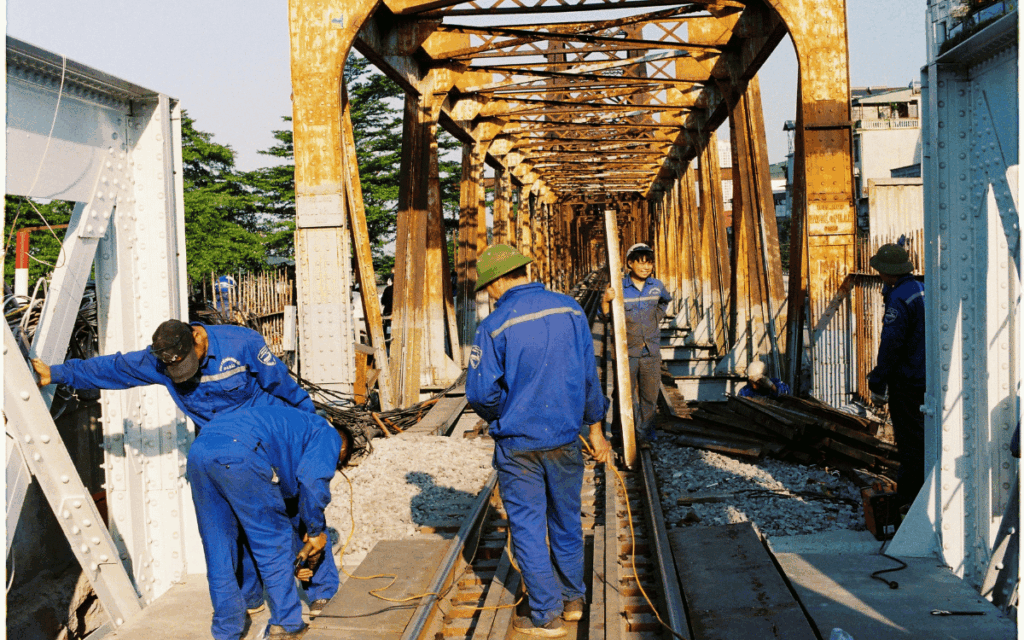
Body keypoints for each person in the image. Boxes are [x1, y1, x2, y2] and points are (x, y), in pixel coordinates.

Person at [31, 319, 330, 617]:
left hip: (266, 437)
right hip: (221, 446)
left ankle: (320, 588)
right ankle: (251, 597)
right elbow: (116, 368)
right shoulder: (160, 360)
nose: (186, 372)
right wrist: (57, 373)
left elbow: (283, 384)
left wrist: (310, 429)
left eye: (190, 362)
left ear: (197, 337)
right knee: (233, 520)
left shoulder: (242, 343)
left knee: (294, 507)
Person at [466, 244, 612, 638]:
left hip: (518, 444)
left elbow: (480, 395)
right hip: (565, 438)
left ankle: (545, 614)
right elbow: (588, 379)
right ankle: (573, 600)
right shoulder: (570, 310)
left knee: (528, 524)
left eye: (487, 287)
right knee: (566, 518)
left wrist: (506, 412)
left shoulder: (493, 325)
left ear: (498, 281)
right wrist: (595, 429)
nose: (488, 294)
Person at [187, 407, 341, 640]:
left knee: (218, 548)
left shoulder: (290, 422)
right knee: (272, 541)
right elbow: (313, 482)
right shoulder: (328, 435)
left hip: (199, 452)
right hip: (240, 452)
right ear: (343, 450)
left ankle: (226, 631)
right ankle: (286, 624)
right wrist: (315, 530)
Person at [867, 243, 926, 509]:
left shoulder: (899, 298)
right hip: (927, 378)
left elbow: (891, 343)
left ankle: (908, 502)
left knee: (910, 444)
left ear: (888, 272)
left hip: (908, 381)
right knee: (926, 438)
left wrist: (878, 378)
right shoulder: (921, 290)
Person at [601, 243, 673, 446]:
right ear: (630, 264)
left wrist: (655, 319)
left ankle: (645, 435)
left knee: (649, 395)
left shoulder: (657, 286)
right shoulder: (618, 287)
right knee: (622, 394)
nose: (645, 267)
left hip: (651, 350)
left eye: (649, 262)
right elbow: (605, 317)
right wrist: (606, 301)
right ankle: (619, 435)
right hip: (627, 351)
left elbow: (664, 302)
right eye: (640, 262)